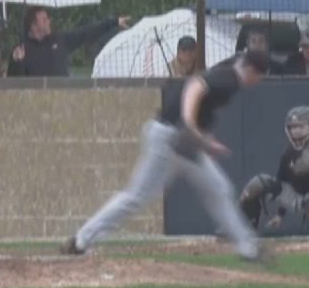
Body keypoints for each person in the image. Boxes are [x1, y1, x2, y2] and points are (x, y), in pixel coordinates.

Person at [64, 50, 274, 265]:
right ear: (249, 69)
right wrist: (191, 122)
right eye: (259, 76)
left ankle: (248, 248)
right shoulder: (230, 78)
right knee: (135, 197)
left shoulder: (234, 66)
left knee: (218, 189)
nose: (257, 82)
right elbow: (196, 86)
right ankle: (81, 240)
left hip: (183, 144)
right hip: (168, 138)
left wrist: (200, 135)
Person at [239, 106, 309, 241]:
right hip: (298, 196)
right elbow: (283, 184)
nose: (296, 131)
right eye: (293, 127)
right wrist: (280, 215)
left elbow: (308, 164)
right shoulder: (289, 152)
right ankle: (243, 226)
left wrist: (303, 162)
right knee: (258, 183)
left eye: (300, 127)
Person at [8, 8, 130, 77]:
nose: (48, 21)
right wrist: (16, 61)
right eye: (44, 20)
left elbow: (85, 32)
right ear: (33, 26)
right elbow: (13, 81)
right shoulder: (22, 49)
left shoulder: (59, 40)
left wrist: (113, 22)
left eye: (48, 18)